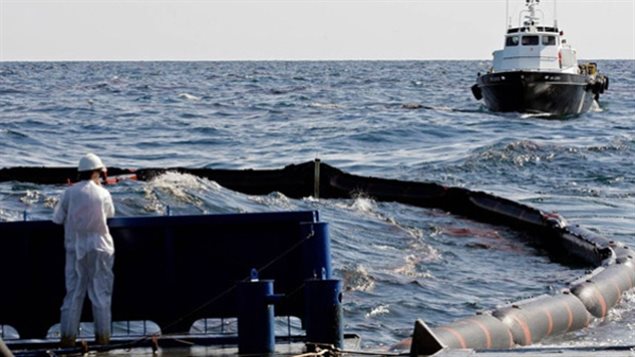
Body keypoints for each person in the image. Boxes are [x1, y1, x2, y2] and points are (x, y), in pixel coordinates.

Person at [52, 153, 115, 347]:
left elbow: (56, 218)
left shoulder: (69, 193)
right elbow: (110, 214)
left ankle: (68, 339)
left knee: (73, 294)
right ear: (96, 172)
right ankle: (103, 339)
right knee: (100, 295)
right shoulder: (103, 193)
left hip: (75, 249)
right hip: (101, 248)